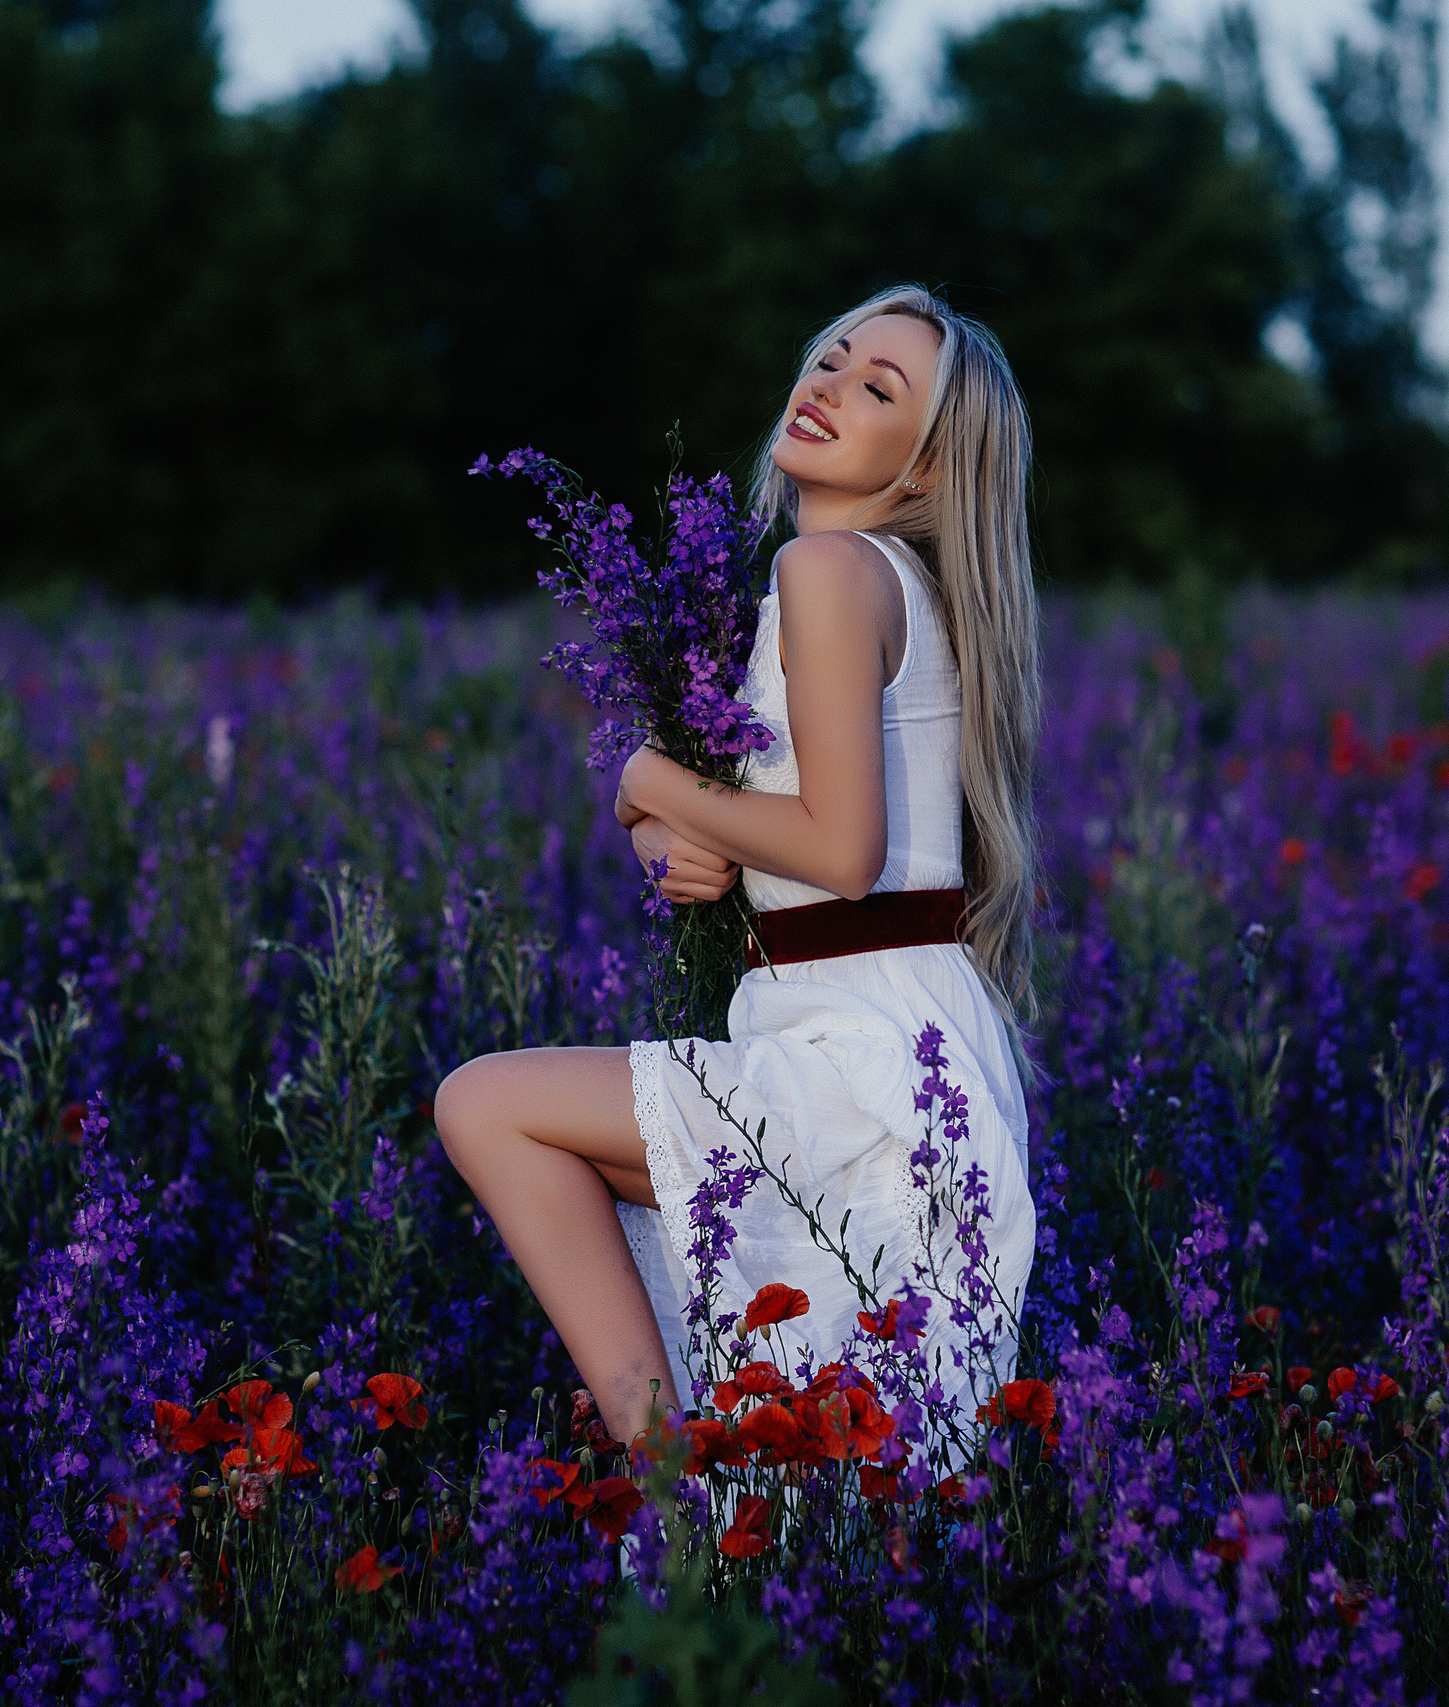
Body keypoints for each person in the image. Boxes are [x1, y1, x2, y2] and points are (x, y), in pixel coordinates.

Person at [436, 285, 1041, 1444]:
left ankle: (663, 1476)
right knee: (823, 1447)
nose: (827, 384)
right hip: (880, 1030)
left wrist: (645, 780)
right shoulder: (855, 581)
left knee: (488, 1105)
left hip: (862, 1054)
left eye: (879, 389)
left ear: (921, 469)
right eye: (829, 356)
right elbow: (803, 833)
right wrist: (675, 835)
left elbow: (840, 850)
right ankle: (680, 1481)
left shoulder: (834, 574)